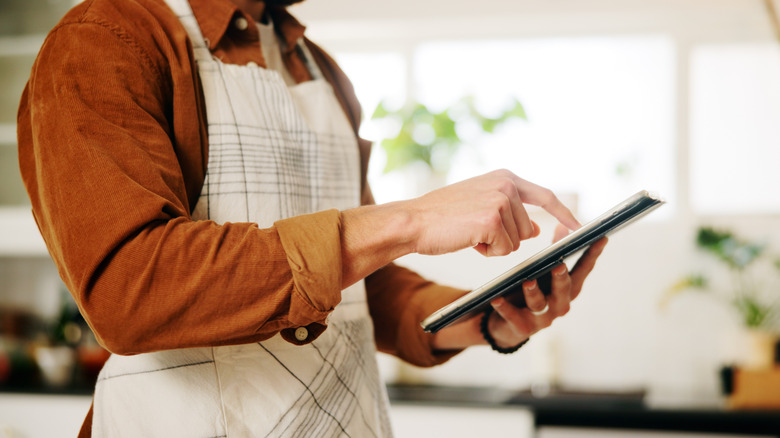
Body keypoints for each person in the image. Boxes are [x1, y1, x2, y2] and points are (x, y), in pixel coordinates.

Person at [17, 0, 607, 436]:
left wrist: (488, 320)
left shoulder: (320, 69)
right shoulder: (106, 40)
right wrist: (411, 219)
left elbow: (359, 286)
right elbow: (133, 290)